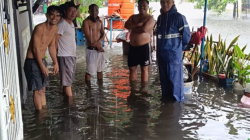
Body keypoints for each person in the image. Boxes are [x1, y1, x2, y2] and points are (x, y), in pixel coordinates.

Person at [24, 5, 60, 111]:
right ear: (47, 15)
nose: (55, 17)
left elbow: (52, 46)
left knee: (42, 89)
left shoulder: (55, 28)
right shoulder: (39, 28)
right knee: (37, 90)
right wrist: (41, 66)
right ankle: (40, 117)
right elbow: (35, 49)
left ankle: (44, 113)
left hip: (42, 60)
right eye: (52, 14)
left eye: (58, 15)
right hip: (32, 61)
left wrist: (55, 62)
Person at [156, 0, 191, 101]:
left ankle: (176, 110)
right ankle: (167, 110)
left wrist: (177, 50)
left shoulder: (179, 17)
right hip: (162, 57)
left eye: (168, 1)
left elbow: (186, 37)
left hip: (174, 57)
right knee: (164, 86)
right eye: (162, 2)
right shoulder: (160, 18)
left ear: (173, 2)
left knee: (176, 87)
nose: (165, 4)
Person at [124, 0, 155, 90]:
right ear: (137, 6)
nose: (142, 7)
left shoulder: (150, 18)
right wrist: (138, 25)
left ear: (147, 6)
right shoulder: (133, 17)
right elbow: (126, 25)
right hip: (132, 47)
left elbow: (144, 29)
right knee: (132, 68)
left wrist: (133, 27)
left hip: (144, 47)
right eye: (140, 5)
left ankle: (143, 90)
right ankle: (133, 90)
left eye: (144, 5)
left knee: (144, 69)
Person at [56, 2, 79, 97]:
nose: (73, 13)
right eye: (71, 11)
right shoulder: (62, 24)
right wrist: (56, 59)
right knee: (68, 83)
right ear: (65, 12)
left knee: (68, 81)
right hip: (65, 56)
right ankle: (71, 106)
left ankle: (66, 103)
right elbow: (54, 41)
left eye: (75, 11)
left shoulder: (71, 23)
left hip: (70, 56)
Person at [82, 4, 105, 86]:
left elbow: (103, 34)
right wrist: (97, 45)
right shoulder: (86, 22)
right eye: (92, 10)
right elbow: (88, 37)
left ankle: (100, 89)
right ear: (89, 11)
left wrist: (100, 41)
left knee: (100, 70)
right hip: (91, 50)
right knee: (89, 71)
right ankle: (88, 90)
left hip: (99, 50)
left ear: (98, 11)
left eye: (96, 10)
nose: (94, 12)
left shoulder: (100, 22)